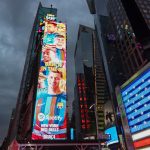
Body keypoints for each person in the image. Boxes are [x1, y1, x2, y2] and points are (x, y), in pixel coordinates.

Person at [32, 70, 66, 140]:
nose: (53, 80)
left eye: (56, 78)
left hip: (60, 139)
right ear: (47, 78)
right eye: (51, 77)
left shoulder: (65, 97)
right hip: (37, 138)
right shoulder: (38, 94)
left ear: (60, 80)